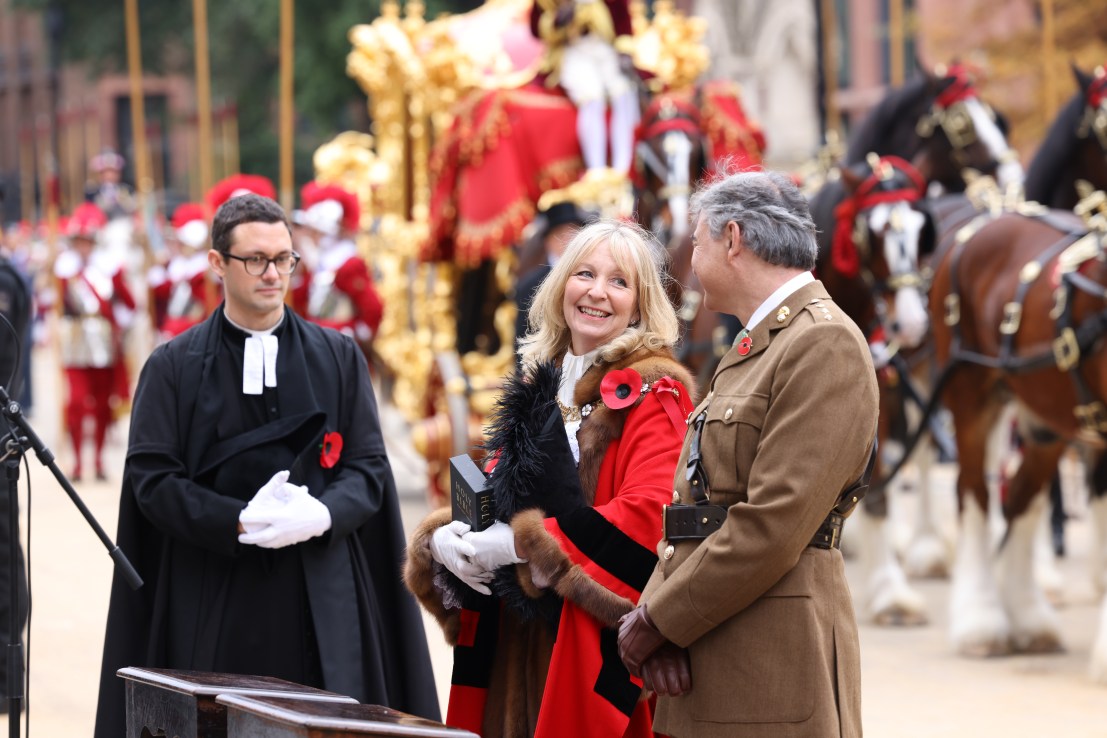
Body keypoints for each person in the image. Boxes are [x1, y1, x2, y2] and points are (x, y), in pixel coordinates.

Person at [93, 194, 439, 737]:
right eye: (256, 259)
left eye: (284, 258)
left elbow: (370, 469)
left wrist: (321, 514)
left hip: (320, 591)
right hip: (211, 588)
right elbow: (152, 481)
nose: (274, 273)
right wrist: (236, 520)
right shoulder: (170, 366)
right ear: (217, 264)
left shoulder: (339, 356)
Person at [405, 219, 696, 738]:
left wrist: (523, 547)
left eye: (619, 282)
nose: (597, 292)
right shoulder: (543, 377)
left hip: (583, 651)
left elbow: (650, 514)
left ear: (641, 303)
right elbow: (502, 496)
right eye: (584, 273)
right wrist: (447, 539)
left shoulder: (657, 394)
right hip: (512, 643)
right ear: (561, 285)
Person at [616, 170, 879, 737]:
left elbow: (773, 523)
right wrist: (659, 616)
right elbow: (694, 509)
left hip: (772, 661)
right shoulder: (757, 344)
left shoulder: (822, 343)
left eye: (698, 241)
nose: (691, 258)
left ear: (732, 238)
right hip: (715, 643)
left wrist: (660, 619)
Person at [54, 202, 136, 481]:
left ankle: (98, 461)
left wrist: (118, 327)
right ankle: (77, 463)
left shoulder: (109, 268)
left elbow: (129, 303)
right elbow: (52, 304)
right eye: (79, 241)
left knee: (102, 404)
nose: (83, 246)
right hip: (75, 340)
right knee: (76, 402)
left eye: (87, 241)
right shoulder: (63, 270)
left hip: (103, 340)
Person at [530, 0, 640, 174]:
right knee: (592, 99)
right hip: (573, 51)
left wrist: (625, 52)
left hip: (605, 49)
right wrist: (558, 20)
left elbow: (622, 20)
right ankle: (596, 169)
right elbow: (537, 28)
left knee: (623, 94)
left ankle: (622, 167)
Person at [292, 181, 383, 352]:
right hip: (316, 335)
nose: (313, 236)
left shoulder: (348, 263)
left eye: (317, 231)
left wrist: (358, 335)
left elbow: (372, 307)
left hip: (341, 340)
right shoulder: (318, 260)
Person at [513, 199, 591, 351]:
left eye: (573, 233)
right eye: (561, 234)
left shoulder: (594, 279)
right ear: (548, 241)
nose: (568, 240)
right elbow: (522, 340)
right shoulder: (528, 285)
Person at [147, 202, 218, 342]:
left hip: (192, 333)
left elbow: (203, 310)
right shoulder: (174, 266)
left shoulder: (202, 272)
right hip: (174, 330)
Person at [85, 149, 136, 221]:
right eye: (106, 172)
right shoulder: (93, 191)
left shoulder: (126, 188)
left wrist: (122, 200)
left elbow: (132, 207)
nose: (110, 175)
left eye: (114, 172)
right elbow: (90, 209)